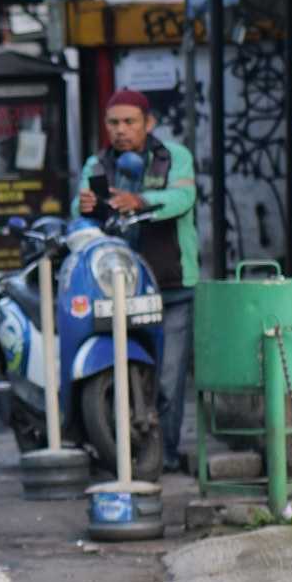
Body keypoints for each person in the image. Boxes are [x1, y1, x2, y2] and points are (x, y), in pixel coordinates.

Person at [77, 88, 198, 467]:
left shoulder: (174, 157)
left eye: (129, 122)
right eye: (113, 122)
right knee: (118, 369)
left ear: (149, 123)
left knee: (169, 377)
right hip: (117, 288)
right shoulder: (97, 164)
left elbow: (183, 200)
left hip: (172, 284)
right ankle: (118, 448)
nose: (121, 130)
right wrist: (84, 205)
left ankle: (167, 455)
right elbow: (81, 211)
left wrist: (140, 200)